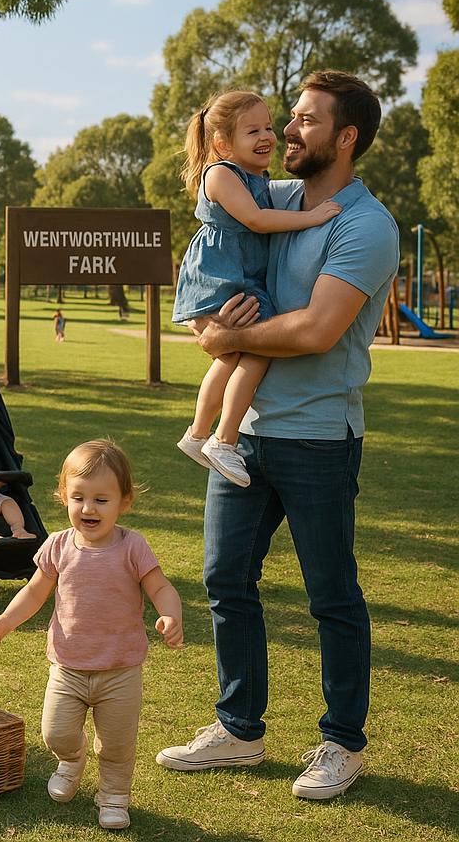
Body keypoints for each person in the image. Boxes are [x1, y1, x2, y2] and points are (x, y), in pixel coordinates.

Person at [157, 71, 400, 800]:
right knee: (225, 580)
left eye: (304, 120)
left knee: (331, 595)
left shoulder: (366, 225)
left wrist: (227, 340)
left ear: (345, 136)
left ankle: (341, 744)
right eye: (285, 120)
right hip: (246, 434)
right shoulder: (276, 198)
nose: (288, 132)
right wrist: (212, 334)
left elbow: (318, 329)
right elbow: (217, 266)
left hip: (320, 436)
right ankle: (239, 730)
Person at [0, 441, 183, 830]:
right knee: (55, 731)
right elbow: (35, 592)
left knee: (117, 744)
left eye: (101, 500)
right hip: (68, 666)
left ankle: (113, 796)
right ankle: (71, 760)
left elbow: (160, 587)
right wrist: (8, 620)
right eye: (79, 498)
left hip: (120, 670)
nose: (88, 509)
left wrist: (170, 614)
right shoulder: (58, 545)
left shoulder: (132, 547)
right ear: (63, 496)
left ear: (124, 502)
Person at [172, 90, 341, 487]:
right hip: (224, 279)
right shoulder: (220, 174)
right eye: (253, 131)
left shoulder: (256, 178)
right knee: (259, 349)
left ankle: (198, 435)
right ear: (222, 143)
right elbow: (258, 220)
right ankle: (223, 438)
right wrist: (314, 217)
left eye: (267, 127)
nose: (267, 135)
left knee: (230, 355)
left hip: (234, 278)